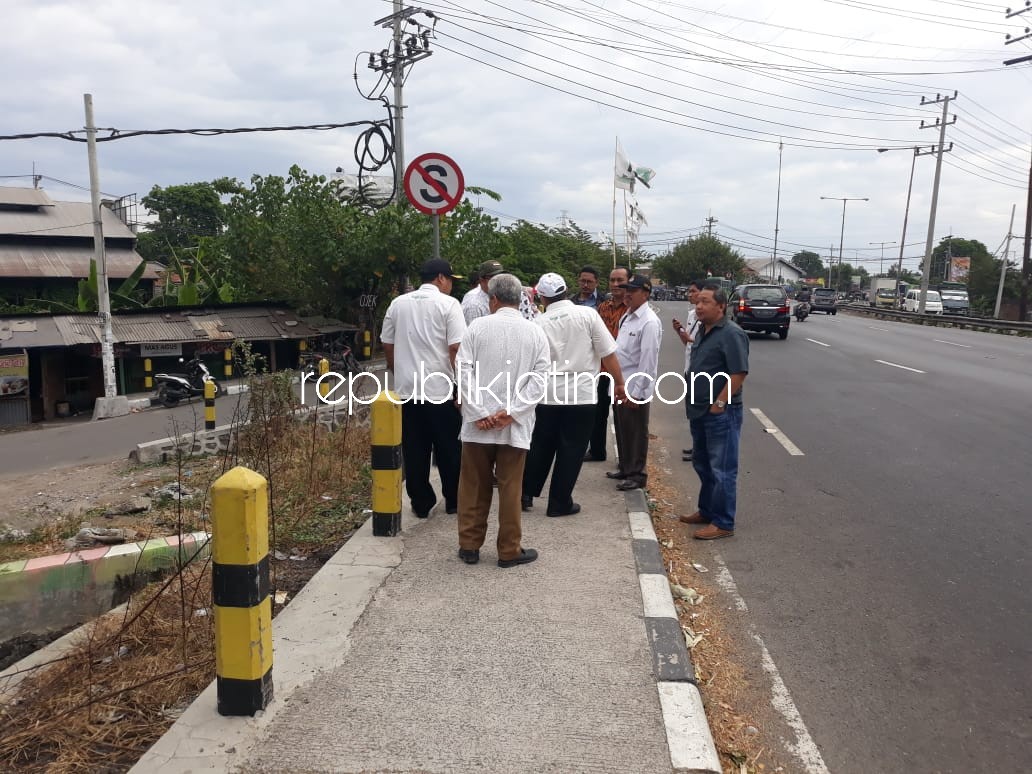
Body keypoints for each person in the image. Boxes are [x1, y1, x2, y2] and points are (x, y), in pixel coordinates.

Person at [455, 273, 550, 568]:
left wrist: (480, 412)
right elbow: (540, 378)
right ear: (519, 298)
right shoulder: (534, 332)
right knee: (511, 488)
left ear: (492, 299)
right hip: (514, 425)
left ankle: (469, 546)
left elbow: (463, 370)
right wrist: (511, 412)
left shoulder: (476, 328)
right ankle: (509, 550)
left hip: (477, 425)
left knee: (473, 485)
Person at [522, 272, 626, 516]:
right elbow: (608, 353)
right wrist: (619, 383)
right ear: (566, 290)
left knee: (540, 445)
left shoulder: (538, 324)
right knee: (571, 450)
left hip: (547, 395)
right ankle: (559, 503)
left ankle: (525, 492)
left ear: (542, 298)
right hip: (581, 395)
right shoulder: (588, 315)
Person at [380, 258, 467, 519]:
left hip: (408, 391)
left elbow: (387, 343)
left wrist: (399, 371)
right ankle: (454, 499)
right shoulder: (449, 304)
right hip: (440, 390)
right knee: (449, 447)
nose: (451, 285)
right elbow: (455, 348)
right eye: (451, 280)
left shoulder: (398, 304)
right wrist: (462, 387)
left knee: (415, 448)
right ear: (441, 278)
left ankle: (421, 502)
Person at [678, 284, 749, 540]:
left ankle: (723, 522)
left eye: (705, 302)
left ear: (721, 306)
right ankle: (706, 511)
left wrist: (719, 403)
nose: (698, 306)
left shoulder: (731, 334)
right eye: (698, 302)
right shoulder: (702, 329)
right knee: (703, 464)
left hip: (720, 412)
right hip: (698, 410)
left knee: (722, 469)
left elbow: (738, 372)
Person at [608, 274, 661, 491]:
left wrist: (637, 393)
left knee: (637, 431)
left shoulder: (649, 322)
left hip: (635, 387)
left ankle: (637, 474)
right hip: (620, 384)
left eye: (633, 290)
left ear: (646, 294)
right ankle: (625, 466)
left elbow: (648, 361)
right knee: (622, 428)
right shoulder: (627, 317)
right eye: (626, 289)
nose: (627, 294)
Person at [585, 265, 630, 462]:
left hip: (624, 371)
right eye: (612, 280)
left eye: (620, 280)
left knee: (623, 418)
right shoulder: (602, 308)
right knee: (597, 413)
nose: (615, 284)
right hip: (602, 370)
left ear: (630, 281)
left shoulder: (632, 310)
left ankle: (626, 460)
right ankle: (596, 451)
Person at [671, 279, 705, 463]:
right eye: (689, 291)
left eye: (693, 291)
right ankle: (696, 446)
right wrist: (680, 332)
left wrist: (686, 336)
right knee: (692, 411)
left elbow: (701, 343)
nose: (689, 294)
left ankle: (701, 449)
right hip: (689, 367)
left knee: (700, 411)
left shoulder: (705, 316)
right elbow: (688, 342)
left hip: (700, 370)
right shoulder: (692, 314)